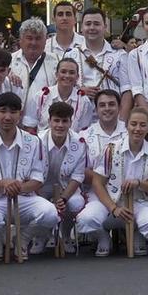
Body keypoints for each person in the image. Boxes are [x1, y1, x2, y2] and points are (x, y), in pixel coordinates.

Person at [77, 106, 148, 256]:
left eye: (142, 125)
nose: (137, 129)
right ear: (126, 126)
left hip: (139, 202)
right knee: (86, 220)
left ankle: (138, 234)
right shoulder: (111, 149)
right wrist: (114, 208)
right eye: (133, 124)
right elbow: (97, 182)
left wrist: (139, 183)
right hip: (110, 202)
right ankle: (102, 237)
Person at [0, 93, 51, 259]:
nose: (7, 117)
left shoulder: (33, 141)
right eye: (3, 111)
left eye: (13, 112)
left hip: (24, 198)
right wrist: (4, 184)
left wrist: (17, 187)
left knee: (50, 214)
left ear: (20, 115)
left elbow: (37, 180)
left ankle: (22, 239)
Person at [36, 100, 92, 253]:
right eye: (56, 120)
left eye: (64, 121)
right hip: (40, 186)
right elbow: (31, 174)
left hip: (67, 186)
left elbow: (78, 176)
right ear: (49, 121)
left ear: (70, 122)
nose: (60, 125)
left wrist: (64, 198)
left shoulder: (79, 143)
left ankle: (66, 236)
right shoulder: (37, 142)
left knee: (75, 203)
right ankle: (41, 236)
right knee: (39, 207)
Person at [70, 9, 127, 97]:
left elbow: (127, 90)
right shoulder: (71, 56)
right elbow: (62, 86)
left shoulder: (120, 55)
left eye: (96, 24)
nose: (92, 27)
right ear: (82, 27)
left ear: (105, 27)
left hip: (112, 109)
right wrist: (79, 91)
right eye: (88, 24)